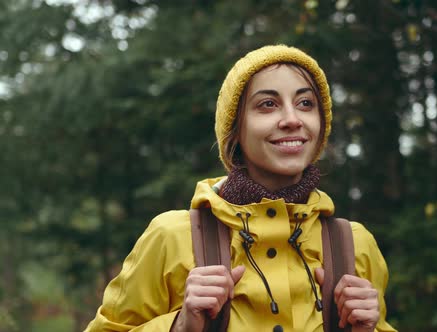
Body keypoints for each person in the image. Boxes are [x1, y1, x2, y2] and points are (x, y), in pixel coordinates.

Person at [85, 45, 396, 332]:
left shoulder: (354, 245)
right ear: (235, 129)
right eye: (268, 104)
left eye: (305, 103)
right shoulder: (171, 236)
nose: (292, 119)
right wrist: (179, 325)